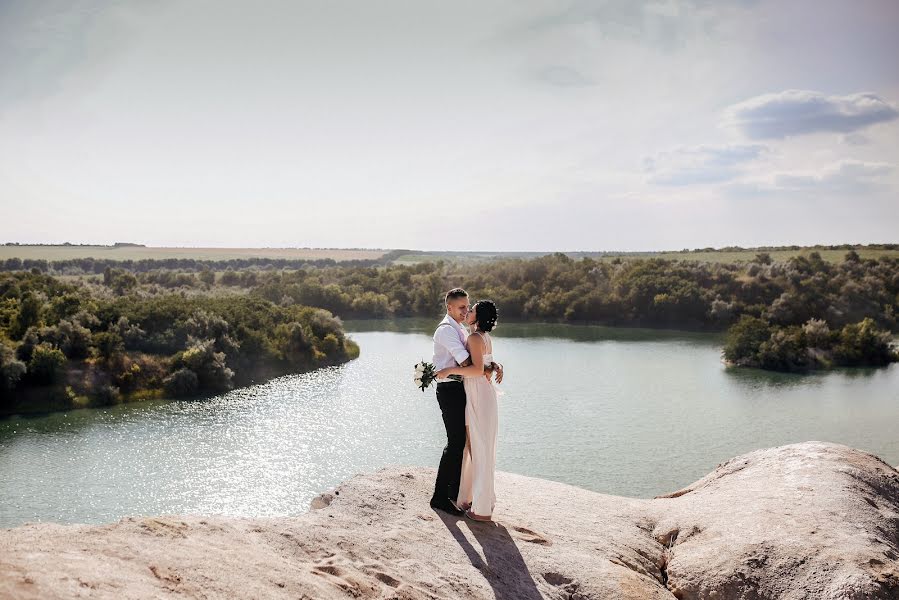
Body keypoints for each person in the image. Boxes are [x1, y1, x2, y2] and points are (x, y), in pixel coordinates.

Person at [430, 289, 501, 516]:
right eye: (462, 307)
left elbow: (478, 359)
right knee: (456, 441)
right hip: (450, 389)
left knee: (465, 443)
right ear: (449, 307)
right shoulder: (446, 331)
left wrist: (492, 365)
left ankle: (455, 493)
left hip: (463, 389)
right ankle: (440, 497)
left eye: (468, 307)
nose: (465, 311)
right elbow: (468, 362)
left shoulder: (461, 329)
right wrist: (489, 366)